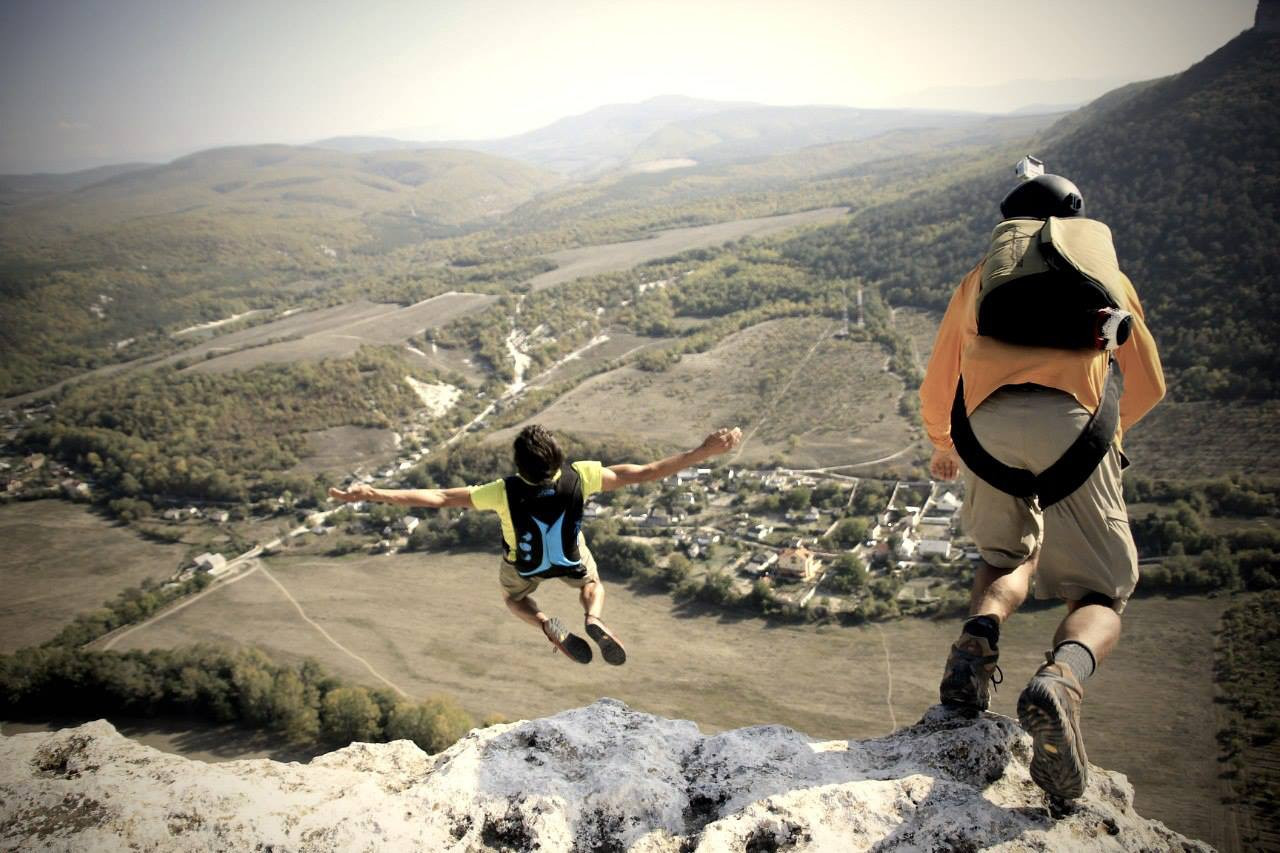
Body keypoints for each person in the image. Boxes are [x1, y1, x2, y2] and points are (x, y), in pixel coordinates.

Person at [918, 172, 1165, 801]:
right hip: (1073, 426)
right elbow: (1149, 384)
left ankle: (977, 646)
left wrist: (946, 445)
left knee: (1004, 556)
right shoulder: (1106, 278)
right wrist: (1102, 437)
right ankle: (1061, 680)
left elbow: (940, 380)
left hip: (986, 428)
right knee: (1101, 594)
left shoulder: (982, 278)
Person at [328, 424, 742, 666]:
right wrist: (703, 451)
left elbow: (437, 497)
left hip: (524, 567)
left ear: (519, 467)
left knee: (514, 600)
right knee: (591, 584)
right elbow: (646, 472)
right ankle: (592, 617)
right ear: (559, 459)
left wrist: (374, 493)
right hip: (571, 560)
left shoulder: (500, 491)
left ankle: (545, 622)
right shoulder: (582, 475)